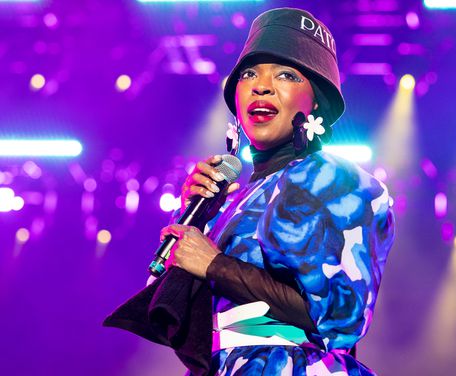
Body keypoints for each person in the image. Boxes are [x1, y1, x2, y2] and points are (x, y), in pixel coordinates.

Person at [105, 7, 394, 375]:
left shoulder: (338, 179)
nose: (261, 85)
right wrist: (195, 216)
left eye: (287, 74)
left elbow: (340, 320)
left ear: (316, 99)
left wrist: (215, 264)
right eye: (249, 73)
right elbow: (168, 307)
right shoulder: (235, 199)